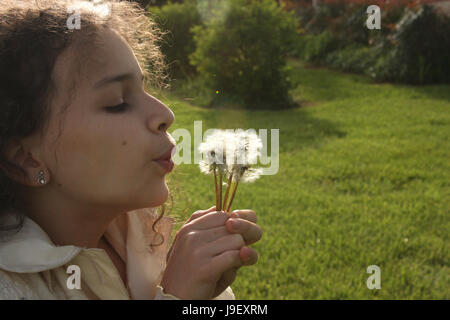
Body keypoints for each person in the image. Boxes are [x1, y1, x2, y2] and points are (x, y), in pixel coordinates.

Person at [0, 0, 262, 300]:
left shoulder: (146, 237)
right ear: (26, 158)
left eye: (145, 88)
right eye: (117, 102)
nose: (166, 114)